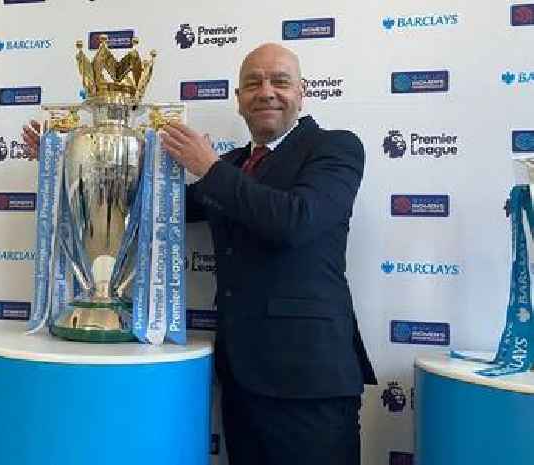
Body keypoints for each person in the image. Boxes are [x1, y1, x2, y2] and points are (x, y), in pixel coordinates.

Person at [22, 42, 376, 465]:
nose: (266, 91)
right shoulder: (235, 164)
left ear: (302, 93)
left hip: (310, 381)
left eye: (280, 82)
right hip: (241, 378)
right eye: (253, 83)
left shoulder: (335, 147)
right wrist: (72, 164)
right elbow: (156, 211)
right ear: (239, 100)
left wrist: (210, 168)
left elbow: (296, 221)